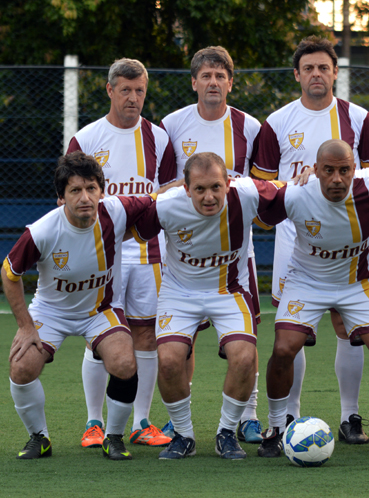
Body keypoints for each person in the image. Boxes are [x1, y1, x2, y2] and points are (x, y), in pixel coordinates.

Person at [256, 139, 369, 457]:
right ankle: (275, 427)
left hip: (359, 283)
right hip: (307, 283)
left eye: (344, 170)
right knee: (284, 349)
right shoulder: (295, 193)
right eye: (329, 170)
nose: (337, 179)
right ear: (315, 170)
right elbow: (249, 196)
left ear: (355, 169)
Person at [251, 35, 369, 443]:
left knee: (348, 326)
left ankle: (351, 416)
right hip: (298, 239)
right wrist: (296, 185)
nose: (316, 74)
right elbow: (263, 187)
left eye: (323, 67)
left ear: (335, 72)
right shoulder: (277, 122)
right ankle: (288, 416)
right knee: (295, 333)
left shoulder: (360, 119)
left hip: (351, 238)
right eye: (308, 68)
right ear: (297, 75)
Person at [3, 152, 158, 460]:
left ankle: (113, 437)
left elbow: (159, 197)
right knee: (21, 369)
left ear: (102, 190)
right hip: (51, 313)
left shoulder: (116, 211)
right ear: (61, 198)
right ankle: (39, 438)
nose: (85, 197)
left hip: (100, 310)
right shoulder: (43, 231)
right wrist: (25, 325)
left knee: (125, 364)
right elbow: (9, 274)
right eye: (75, 190)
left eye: (91, 188)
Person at [132, 152, 285, 460]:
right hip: (179, 293)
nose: (209, 196)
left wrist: (309, 177)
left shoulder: (248, 192)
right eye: (199, 189)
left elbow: (295, 193)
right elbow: (123, 221)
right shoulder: (166, 204)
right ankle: (184, 434)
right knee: (170, 360)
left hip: (229, 290)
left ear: (228, 183)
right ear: (185, 189)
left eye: (216, 187)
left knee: (244, 357)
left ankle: (226, 433)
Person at [66, 58, 176, 449]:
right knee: (99, 337)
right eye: (125, 90)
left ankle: (142, 421)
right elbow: (73, 200)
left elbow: (167, 195)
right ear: (109, 90)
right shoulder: (87, 138)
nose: (133, 98)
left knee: (146, 334)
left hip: (148, 255)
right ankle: (93, 423)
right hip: (102, 257)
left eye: (140, 91)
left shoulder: (160, 138)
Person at [160, 46, 264, 443]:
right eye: (206, 76)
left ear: (231, 82)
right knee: (181, 344)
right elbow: (164, 185)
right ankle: (178, 420)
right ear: (194, 82)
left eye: (221, 76)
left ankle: (248, 416)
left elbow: (261, 183)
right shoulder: (171, 125)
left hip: (236, 253)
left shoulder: (250, 127)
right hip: (187, 253)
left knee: (246, 339)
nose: (213, 83)